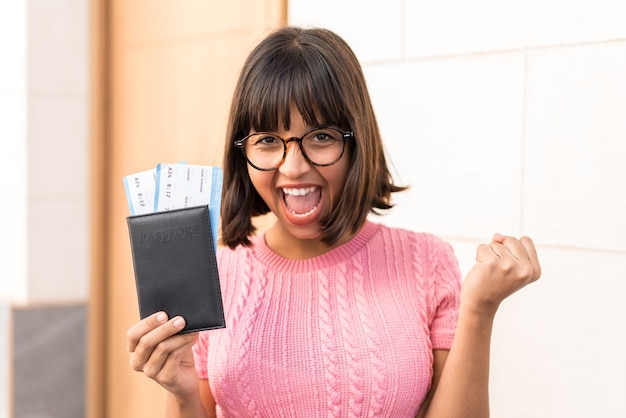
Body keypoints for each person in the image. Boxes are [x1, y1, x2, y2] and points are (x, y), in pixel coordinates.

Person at [126, 26, 541, 418]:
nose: (293, 167)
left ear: (356, 141)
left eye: (321, 136)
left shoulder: (426, 262)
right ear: (244, 151)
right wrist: (181, 393)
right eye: (268, 141)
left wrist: (480, 308)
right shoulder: (217, 273)